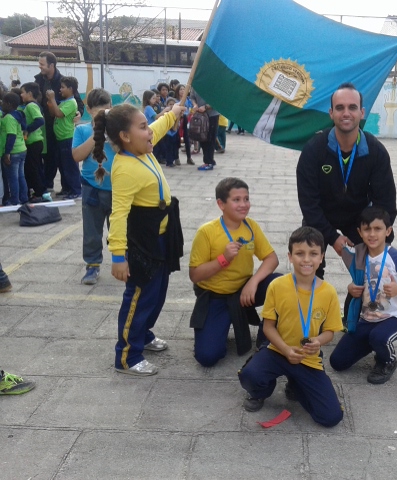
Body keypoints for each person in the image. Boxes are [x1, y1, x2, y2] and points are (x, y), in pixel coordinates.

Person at [93, 101, 186, 376]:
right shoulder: (124, 167)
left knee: (156, 295)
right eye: (143, 126)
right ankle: (127, 356)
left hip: (161, 238)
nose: (149, 132)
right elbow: (118, 215)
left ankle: (143, 334)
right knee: (138, 297)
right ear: (125, 136)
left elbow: (158, 127)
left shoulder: (142, 146)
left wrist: (173, 113)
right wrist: (118, 257)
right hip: (141, 244)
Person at [238, 226, 344, 427]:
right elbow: (268, 327)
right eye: (300, 253)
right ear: (290, 256)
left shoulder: (328, 292)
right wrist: (285, 349)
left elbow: (330, 331)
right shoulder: (277, 286)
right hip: (278, 349)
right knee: (250, 375)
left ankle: (297, 383)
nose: (306, 260)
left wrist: (318, 341)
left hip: (307, 357)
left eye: (313, 254)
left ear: (321, 257)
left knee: (331, 417)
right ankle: (260, 392)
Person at [296, 82, 397, 279]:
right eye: (340, 108)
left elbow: (386, 204)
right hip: (320, 216)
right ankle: (312, 300)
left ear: (362, 112)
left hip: (358, 217)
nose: (346, 113)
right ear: (331, 113)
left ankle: (365, 305)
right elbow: (308, 203)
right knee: (307, 258)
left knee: (375, 269)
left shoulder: (376, 151)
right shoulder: (314, 148)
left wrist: (374, 233)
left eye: (352, 107)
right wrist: (332, 237)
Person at [189, 177, 280, 367]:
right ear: (221, 204)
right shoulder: (207, 232)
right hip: (215, 297)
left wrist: (253, 283)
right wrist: (223, 259)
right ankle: (222, 322)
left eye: (246, 199)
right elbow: (195, 275)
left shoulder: (250, 226)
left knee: (279, 284)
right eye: (236, 200)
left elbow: (272, 258)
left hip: (244, 292)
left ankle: (266, 338)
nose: (243, 205)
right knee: (207, 357)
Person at [330, 207, 397, 384]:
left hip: (392, 318)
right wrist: (351, 287)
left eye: (378, 229)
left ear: (388, 231)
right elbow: (356, 283)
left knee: (379, 337)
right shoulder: (359, 256)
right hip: (367, 318)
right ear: (360, 233)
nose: (372, 234)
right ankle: (374, 342)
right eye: (367, 229)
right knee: (337, 362)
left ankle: (387, 360)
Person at [72, 88, 114, 285]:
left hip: (118, 189)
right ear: (88, 110)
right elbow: (77, 156)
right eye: (97, 113)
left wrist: (111, 133)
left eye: (105, 112)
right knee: (92, 231)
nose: (101, 117)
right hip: (92, 189)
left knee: (119, 231)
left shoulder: (117, 129)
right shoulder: (82, 130)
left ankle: (123, 262)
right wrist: (97, 134)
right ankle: (92, 265)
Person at [34, 52, 84, 191]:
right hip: (45, 126)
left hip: (62, 129)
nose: (40, 67)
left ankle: (69, 187)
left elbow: (78, 102)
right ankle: (48, 185)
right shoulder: (38, 81)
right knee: (48, 156)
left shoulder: (64, 81)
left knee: (65, 161)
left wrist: (79, 112)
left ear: (51, 65)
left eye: (42, 64)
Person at [45, 76, 81, 199]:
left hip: (67, 137)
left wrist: (53, 99)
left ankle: (76, 190)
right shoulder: (64, 102)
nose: (60, 90)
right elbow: (53, 113)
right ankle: (66, 188)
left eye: (63, 87)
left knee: (70, 166)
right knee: (63, 165)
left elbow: (59, 114)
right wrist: (51, 103)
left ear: (70, 89)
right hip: (60, 138)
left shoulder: (71, 102)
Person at [19, 82, 49, 202]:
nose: (21, 95)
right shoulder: (31, 105)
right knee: (36, 167)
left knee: (33, 168)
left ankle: (39, 193)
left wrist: (27, 130)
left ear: (30, 93)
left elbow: (40, 121)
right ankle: (41, 190)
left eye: (22, 92)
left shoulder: (31, 106)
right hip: (34, 142)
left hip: (34, 142)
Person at [1, 92, 28, 205]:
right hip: (22, 149)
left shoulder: (8, 118)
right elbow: (24, 128)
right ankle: (24, 198)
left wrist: (7, 153)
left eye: (3, 102)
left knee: (13, 178)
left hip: (13, 152)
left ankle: (14, 200)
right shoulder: (18, 114)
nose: (1, 104)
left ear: (9, 104)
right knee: (21, 176)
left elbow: (11, 136)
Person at [190, 88, 220, 171]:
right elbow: (192, 96)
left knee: (210, 138)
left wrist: (206, 107)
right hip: (200, 114)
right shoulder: (195, 84)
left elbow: (218, 100)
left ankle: (209, 162)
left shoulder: (212, 85)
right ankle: (209, 160)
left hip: (212, 115)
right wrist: (195, 104)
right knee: (201, 137)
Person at [175, 84, 195, 165]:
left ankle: (189, 157)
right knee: (176, 139)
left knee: (187, 139)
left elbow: (191, 109)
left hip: (186, 120)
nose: (182, 91)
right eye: (181, 89)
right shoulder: (175, 101)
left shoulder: (188, 100)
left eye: (184, 89)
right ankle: (176, 158)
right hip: (177, 121)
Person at [163, 97, 181, 167]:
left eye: (173, 104)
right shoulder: (166, 113)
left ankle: (174, 159)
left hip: (175, 132)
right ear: (166, 105)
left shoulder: (177, 113)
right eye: (170, 104)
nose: (172, 106)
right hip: (167, 133)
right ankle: (169, 162)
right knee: (169, 148)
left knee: (174, 147)